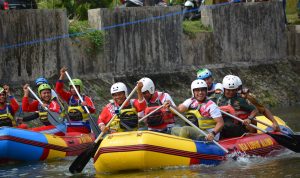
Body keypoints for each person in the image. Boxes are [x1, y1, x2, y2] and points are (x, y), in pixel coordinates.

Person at [56, 67, 96, 133]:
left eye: (76, 87)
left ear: (80, 88)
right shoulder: (69, 97)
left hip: (84, 125)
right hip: (72, 124)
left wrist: (87, 106)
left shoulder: (85, 98)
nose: (73, 89)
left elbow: (93, 110)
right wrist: (62, 75)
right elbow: (58, 89)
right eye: (72, 87)